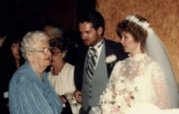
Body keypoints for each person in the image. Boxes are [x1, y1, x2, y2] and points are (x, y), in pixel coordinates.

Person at [99, 15, 179, 114]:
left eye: (125, 37)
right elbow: (109, 92)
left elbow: (163, 102)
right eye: (121, 37)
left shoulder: (152, 67)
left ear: (138, 38)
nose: (121, 41)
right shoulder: (119, 65)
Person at [74, 10, 127, 114]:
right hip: (84, 110)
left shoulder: (117, 50)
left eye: (87, 32)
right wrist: (79, 90)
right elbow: (82, 79)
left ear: (99, 30)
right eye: (81, 33)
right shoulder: (81, 50)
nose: (83, 37)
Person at [9, 31, 63, 114]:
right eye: (43, 50)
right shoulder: (24, 80)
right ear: (29, 55)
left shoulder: (43, 75)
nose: (49, 53)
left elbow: (58, 106)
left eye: (49, 49)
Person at [48, 38, 81, 114]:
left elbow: (82, 97)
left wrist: (64, 99)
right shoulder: (47, 75)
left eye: (55, 53)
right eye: (50, 53)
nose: (51, 57)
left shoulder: (73, 71)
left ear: (63, 53)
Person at [0, 36, 24, 114]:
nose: (18, 49)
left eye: (19, 46)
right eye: (14, 46)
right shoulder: (5, 70)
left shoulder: (27, 66)